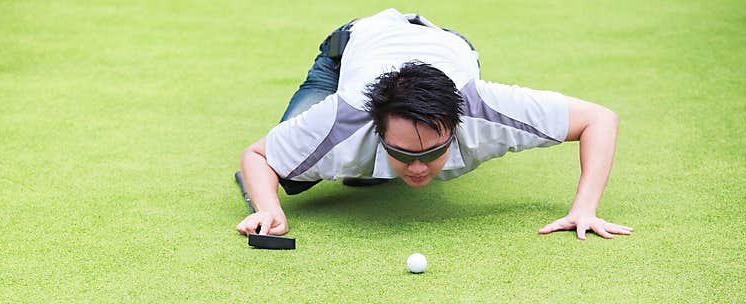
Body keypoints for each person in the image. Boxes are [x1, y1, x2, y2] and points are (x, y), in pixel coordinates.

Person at [236, 9, 632, 241]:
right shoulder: (344, 117)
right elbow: (257, 154)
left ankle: (378, 169)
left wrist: (585, 209)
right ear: (376, 131)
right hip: (351, 48)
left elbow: (599, 119)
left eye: (433, 151)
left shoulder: (487, 107)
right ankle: (364, 168)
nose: (420, 167)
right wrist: (269, 209)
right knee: (291, 177)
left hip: (447, 43)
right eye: (403, 154)